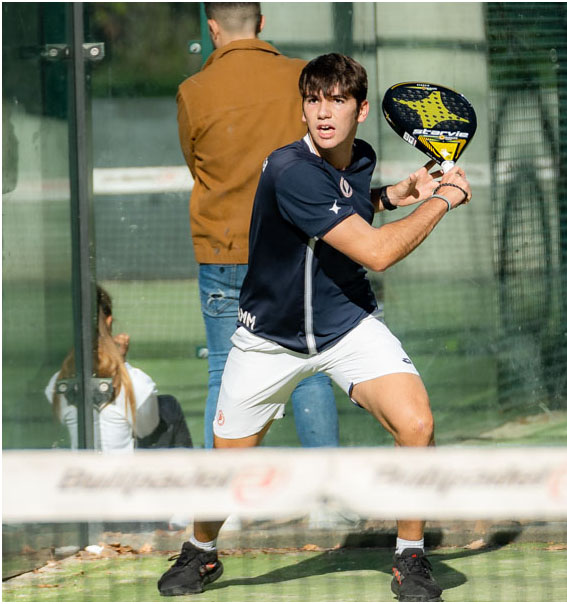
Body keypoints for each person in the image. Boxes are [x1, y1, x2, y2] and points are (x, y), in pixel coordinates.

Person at [157, 53, 472, 601]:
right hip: (269, 340)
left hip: (346, 323)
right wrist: (444, 199)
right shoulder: (290, 169)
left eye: (337, 100)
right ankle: (201, 549)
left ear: (361, 110)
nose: (323, 113)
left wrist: (392, 196)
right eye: (313, 100)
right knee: (226, 470)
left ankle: (410, 555)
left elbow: (345, 203)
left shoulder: (361, 157)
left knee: (417, 424)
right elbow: (375, 252)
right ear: (302, 108)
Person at [176, 1, 337, 449]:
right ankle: (329, 486)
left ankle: (223, 492)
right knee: (309, 370)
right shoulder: (303, 78)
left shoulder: (193, 91)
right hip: (297, 249)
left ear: (212, 29)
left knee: (223, 372)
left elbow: (197, 166)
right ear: (261, 23)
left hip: (224, 248)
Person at [46, 286, 192, 452]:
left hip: (73, 466)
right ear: (108, 322)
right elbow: (146, 429)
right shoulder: (137, 383)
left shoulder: (54, 385)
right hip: (124, 468)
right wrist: (120, 362)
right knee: (167, 404)